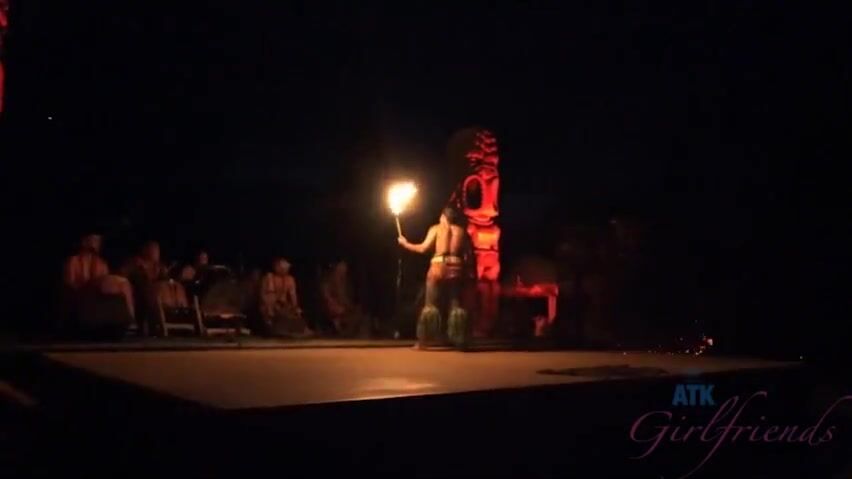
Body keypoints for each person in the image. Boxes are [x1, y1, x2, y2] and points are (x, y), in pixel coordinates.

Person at [398, 207, 472, 349]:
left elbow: (423, 248)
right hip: (456, 267)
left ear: (443, 217)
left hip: (438, 266)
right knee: (455, 304)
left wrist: (405, 243)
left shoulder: (436, 228)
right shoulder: (461, 231)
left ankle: (424, 341)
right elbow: (468, 255)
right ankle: (459, 339)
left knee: (430, 305)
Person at [260, 258, 312, 337]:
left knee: (296, 315)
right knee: (270, 305)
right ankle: (272, 326)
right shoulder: (269, 277)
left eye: (286, 267)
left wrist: (295, 308)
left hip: (283, 306)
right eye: (281, 267)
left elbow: (293, 297)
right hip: (269, 306)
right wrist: (271, 306)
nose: (284, 269)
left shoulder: (290, 279)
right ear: (276, 267)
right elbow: (263, 295)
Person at [320, 260, 368, 337]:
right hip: (337, 307)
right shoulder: (329, 282)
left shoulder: (342, 279)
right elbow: (329, 296)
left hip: (342, 307)